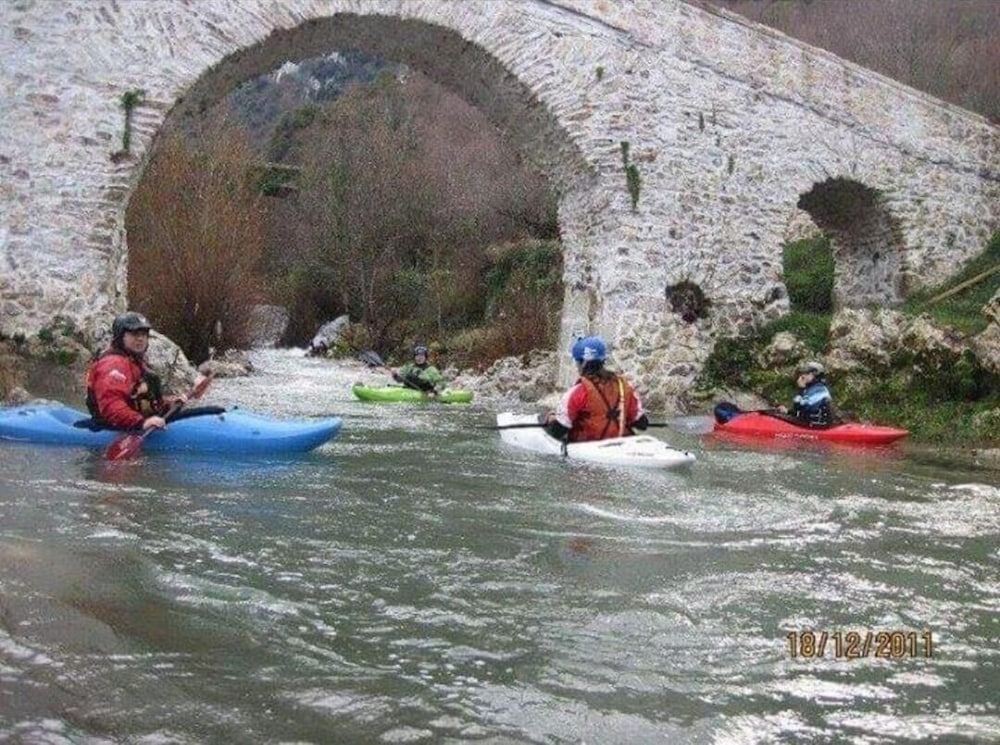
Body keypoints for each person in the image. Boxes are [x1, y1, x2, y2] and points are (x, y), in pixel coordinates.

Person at [85, 311, 186, 431]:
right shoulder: (113, 364)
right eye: (134, 334)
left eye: (144, 334)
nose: (140, 339)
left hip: (134, 422)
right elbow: (112, 405)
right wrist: (141, 423)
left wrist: (168, 403)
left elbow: (138, 397)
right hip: (114, 427)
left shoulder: (134, 360)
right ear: (120, 336)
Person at [543, 335, 649, 442]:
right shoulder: (625, 387)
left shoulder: (577, 392)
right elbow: (642, 424)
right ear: (602, 361)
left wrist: (551, 419)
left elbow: (558, 431)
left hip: (587, 449)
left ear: (581, 364)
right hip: (621, 446)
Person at [779, 360, 835, 426]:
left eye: (807, 373)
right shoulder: (810, 389)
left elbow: (805, 407)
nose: (803, 376)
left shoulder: (820, 390)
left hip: (818, 426)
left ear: (814, 374)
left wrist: (801, 389)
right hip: (809, 423)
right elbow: (799, 410)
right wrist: (788, 412)